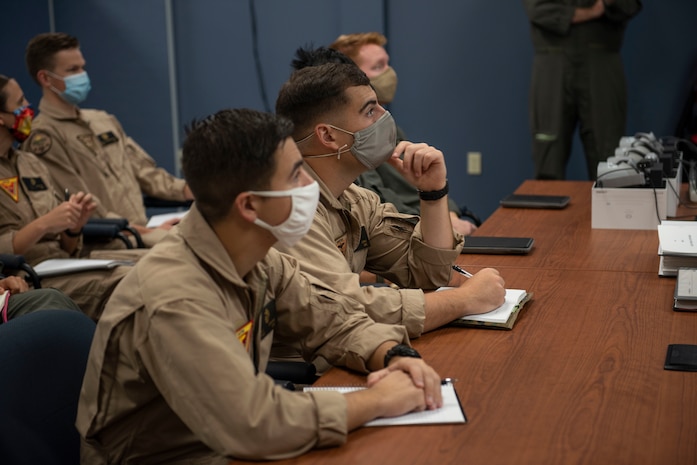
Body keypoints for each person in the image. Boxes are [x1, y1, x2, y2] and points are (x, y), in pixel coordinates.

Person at [77, 108, 443, 463]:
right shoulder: (175, 295)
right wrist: (379, 400)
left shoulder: (255, 255)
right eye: (296, 174)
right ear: (249, 206)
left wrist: (394, 356)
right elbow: (255, 423)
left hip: (222, 445)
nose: (310, 186)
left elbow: (334, 320)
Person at [274, 62, 505, 344]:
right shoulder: (289, 209)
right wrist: (464, 300)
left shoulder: (356, 199)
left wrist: (432, 193)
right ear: (328, 136)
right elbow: (344, 312)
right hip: (305, 374)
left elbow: (428, 273)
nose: (385, 118)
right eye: (370, 111)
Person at [22, 32, 194, 247]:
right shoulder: (44, 138)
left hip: (142, 232)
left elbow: (144, 172)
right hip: (108, 242)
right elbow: (83, 207)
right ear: (45, 78)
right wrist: (146, 232)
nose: (82, 75)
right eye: (72, 70)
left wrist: (191, 190)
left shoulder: (102, 120)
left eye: (82, 67)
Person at [0, 74, 142, 319]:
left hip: (64, 262)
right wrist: (45, 223)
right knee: (138, 282)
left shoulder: (30, 163)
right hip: (27, 276)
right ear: (2, 118)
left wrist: (73, 227)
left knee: (160, 264)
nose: (28, 110)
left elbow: (66, 246)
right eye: (20, 104)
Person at [327, 34, 479, 235]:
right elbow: (379, 201)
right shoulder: (350, 138)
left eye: (388, 64)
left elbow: (419, 180)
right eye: (378, 67)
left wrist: (448, 213)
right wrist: (439, 221)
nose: (389, 73)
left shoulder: (390, 129)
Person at [523, 0, 643, 180]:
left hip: (601, 60)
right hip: (552, 61)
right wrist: (594, 11)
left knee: (608, 157)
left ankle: (608, 206)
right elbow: (538, 10)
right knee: (548, 151)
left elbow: (629, 5)